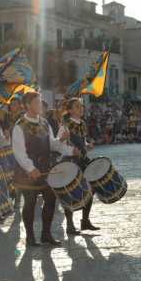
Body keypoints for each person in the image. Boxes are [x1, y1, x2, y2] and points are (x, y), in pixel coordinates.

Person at [12, 91, 79, 247]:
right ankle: (30, 237)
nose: (40, 105)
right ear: (28, 105)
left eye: (40, 102)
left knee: (50, 199)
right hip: (27, 172)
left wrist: (68, 148)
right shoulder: (19, 126)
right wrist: (30, 168)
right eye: (37, 102)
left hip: (45, 168)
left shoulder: (44, 123)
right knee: (30, 203)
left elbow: (52, 144)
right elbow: (19, 152)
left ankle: (46, 234)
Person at [57, 98, 99, 235]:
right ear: (70, 110)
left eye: (81, 106)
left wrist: (87, 146)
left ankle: (85, 221)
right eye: (77, 106)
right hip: (70, 161)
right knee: (69, 192)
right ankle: (70, 225)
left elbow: (83, 141)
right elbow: (59, 145)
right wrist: (70, 150)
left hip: (83, 160)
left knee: (90, 188)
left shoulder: (82, 123)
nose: (81, 108)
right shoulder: (65, 125)